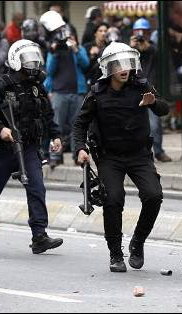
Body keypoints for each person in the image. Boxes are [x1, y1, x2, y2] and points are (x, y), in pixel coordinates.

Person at [73, 42, 169, 272]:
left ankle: (137, 242)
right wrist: (80, 148)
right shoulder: (97, 92)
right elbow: (80, 124)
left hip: (139, 154)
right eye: (118, 64)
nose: (124, 69)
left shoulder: (142, 85)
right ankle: (115, 253)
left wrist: (153, 102)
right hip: (109, 157)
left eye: (127, 63)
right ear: (109, 68)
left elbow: (164, 109)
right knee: (113, 199)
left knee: (154, 195)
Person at [0, 39, 64, 255]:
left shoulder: (37, 86)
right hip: (3, 148)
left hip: (28, 147)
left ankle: (39, 236)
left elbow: (46, 114)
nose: (32, 65)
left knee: (37, 187)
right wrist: (0, 128)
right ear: (15, 60)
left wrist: (56, 135)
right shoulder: (0, 84)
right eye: (27, 60)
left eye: (34, 60)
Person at [40, 10, 89, 168]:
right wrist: (54, 52)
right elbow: (50, 69)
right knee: (57, 126)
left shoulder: (79, 49)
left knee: (77, 126)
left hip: (77, 92)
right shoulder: (54, 51)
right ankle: (55, 155)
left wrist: (75, 49)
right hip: (59, 92)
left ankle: (77, 154)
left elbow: (86, 64)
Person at [131, 17, 172, 163]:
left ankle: (159, 152)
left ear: (149, 32)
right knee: (134, 126)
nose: (142, 35)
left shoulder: (154, 47)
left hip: (150, 91)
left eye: (145, 32)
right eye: (138, 32)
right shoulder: (130, 49)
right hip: (133, 92)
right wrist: (133, 48)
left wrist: (147, 47)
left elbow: (159, 55)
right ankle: (140, 154)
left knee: (154, 125)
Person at [83, 22, 109, 88]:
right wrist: (91, 56)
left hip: (106, 82)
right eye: (100, 31)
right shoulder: (87, 47)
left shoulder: (109, 48)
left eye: (105, 31)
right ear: (95, 33)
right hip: (90, 83)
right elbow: (83, 67)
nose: (103, 33)